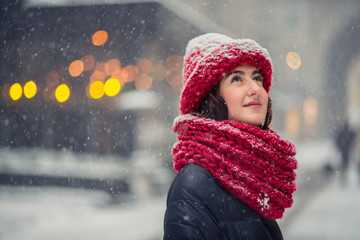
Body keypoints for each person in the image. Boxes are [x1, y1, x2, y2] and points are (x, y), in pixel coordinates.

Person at [163, 33, 297, 240]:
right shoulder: (194, 183)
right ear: (210, 98)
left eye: (257, 77)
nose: (255, 89)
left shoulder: (251, 173)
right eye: (236, 78)